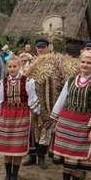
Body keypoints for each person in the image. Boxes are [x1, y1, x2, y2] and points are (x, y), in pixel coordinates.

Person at [49, 50, 91, 180]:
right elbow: (62, 99)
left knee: (78, 159)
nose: (85, 65)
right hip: (66, 123)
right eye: (83, 62)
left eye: (89, 63)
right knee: (65, 156)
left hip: (82, 126)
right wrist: (55, 118)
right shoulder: (71, 80)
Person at [0, 56, 41, 180]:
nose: (12, 69)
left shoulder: (28, 81)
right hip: (6, 116)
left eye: (15, 66)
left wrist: (38, 114)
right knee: (6, 146)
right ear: (7, 67)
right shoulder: (3, 82)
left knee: (17, 147)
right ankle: (8, 174)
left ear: (20, 67)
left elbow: (32, 99)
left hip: (21, 116)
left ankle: (14, 175)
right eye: (10, 66)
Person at [23, 37, 52, 169]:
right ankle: (32, 156)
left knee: (45, 128)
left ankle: (41, 157)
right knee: (32, 128)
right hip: (32, 99)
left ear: (47, 48)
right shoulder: (31, 62)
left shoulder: (52, 62)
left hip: (48, 100)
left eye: (43, 47)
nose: (41, 49)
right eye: (39, 47)